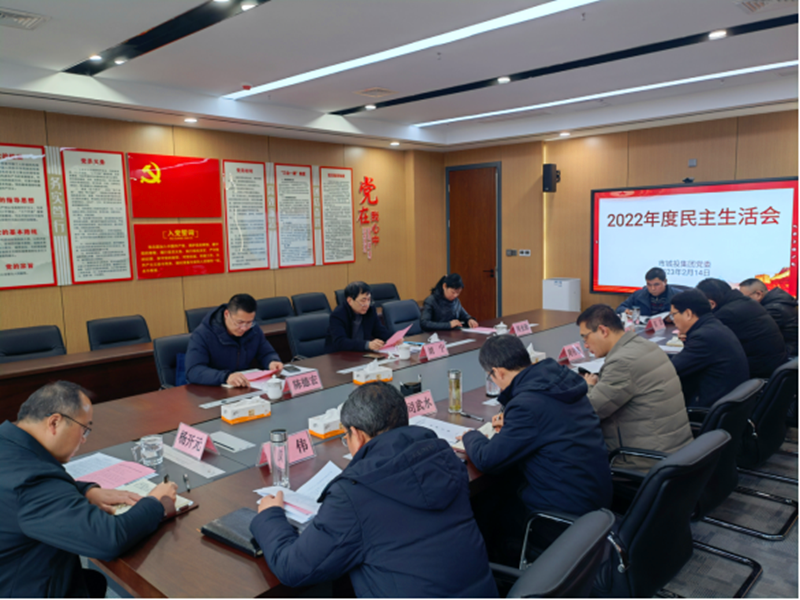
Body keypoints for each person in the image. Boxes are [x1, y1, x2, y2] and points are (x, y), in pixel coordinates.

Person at [250, 382, 497, 597]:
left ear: (357, 435)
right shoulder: (445, 459)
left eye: (346, 438)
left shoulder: (355, 493)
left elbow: (293, 568)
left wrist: (270, 517)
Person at [0, 381, 178, 598]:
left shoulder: (8, 444)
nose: (84, 440)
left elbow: (26, 490)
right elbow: (109, 540)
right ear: (54, 422)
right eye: (84, 429)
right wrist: (156, 502)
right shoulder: (30, 482)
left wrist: (86, 491)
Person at [459, 335, 612, 564]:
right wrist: (513, 426)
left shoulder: (527, 405)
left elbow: (487, 459)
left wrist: (470, 436)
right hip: (594, 501)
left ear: (498, 372)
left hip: (561, 516)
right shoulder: (559, 382)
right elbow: (549, 423)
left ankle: (499, 573)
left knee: (485, 507)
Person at [576, 304, 693, 469]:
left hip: (644, 461)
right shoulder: (645, 345)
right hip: (676, 450)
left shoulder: (622, 362)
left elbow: (590, 411)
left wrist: (589, 386)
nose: (585, 345)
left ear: (603, 331)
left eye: (585, 338)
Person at [669, 290, 749, 407]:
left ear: (688, 314)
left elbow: (672, 370)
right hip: (728, 403)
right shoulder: (714, 326)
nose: (673, 320)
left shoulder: (703, 337)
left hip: (709, 407)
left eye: (673, 315)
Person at [696, 278, 787, 378]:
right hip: (772, 367)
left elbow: (706, 345)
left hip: (757, 371)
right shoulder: (748, 303)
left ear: (711, 304)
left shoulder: (726, 314)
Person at [186, 293, 283, 387]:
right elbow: (194, 370)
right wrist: (226, 377)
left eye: (249, 322)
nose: (244, 328)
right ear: (226, 314)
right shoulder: (203, 334)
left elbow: (266, 352)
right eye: (239, 322)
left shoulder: (253, 329)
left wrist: (272, 361)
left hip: (244, 386)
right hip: (214, 389)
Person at [324, 281, 391, 353]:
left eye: (369, 300)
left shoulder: (370, 310)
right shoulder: (338, 315)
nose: (367, 304)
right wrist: (367, 344)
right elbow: (340, 342)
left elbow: (380, 331)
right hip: (339, 355)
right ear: (350, 301)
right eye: (363, 300)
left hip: (360, 353)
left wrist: (394, 339)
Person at [739, 278, 798, 356]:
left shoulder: (773, 310)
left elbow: (754, 333)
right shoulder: (778, 302)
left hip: (787, 354)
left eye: (744, 298)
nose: (742, 302)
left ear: (758, 294)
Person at [615, 267, 681, 317]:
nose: (653, 288)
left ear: (665, 282)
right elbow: (620, 308)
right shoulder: (638, 295)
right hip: (644, 328)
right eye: (649, 285)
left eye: (656, 284)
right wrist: (626, 311)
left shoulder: (678, 296)